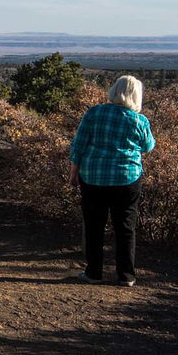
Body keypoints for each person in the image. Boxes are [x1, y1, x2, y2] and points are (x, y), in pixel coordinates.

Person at [69, 75, 155, 287]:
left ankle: (94, 273)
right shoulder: (139, 120)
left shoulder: (94, 112)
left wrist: (74, 172)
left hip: (93, 176)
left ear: (114, 90)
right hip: (127, 179)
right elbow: (148, 146)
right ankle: (126, 275)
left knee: (94, 226)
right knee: (125, 227)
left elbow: (78, 144)